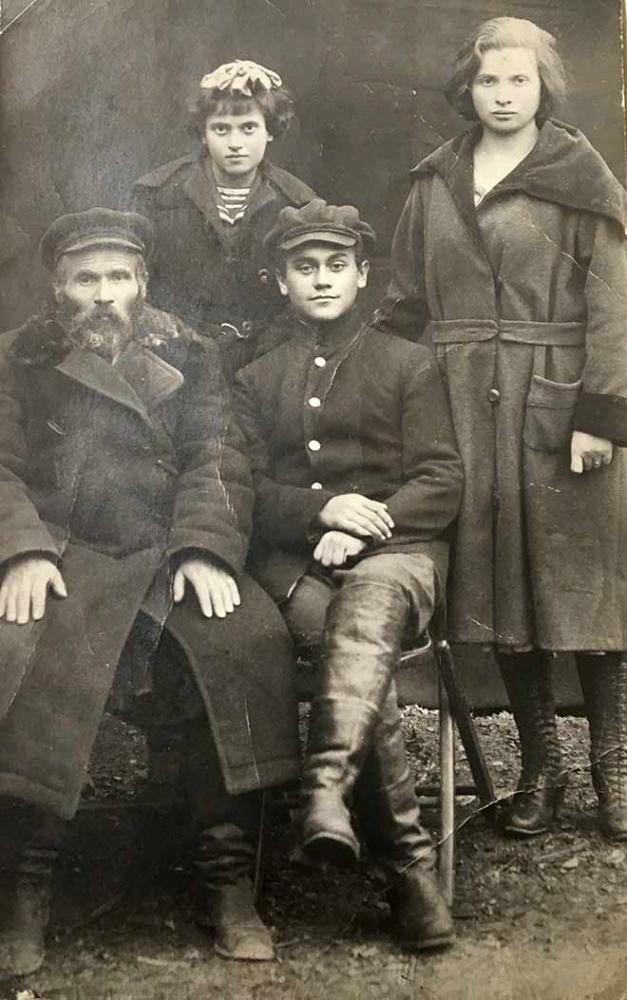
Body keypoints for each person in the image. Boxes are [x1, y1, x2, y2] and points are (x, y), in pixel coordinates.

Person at [0, 208, 301, 975]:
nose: (103, 296)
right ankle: (23, 891)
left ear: (142, 283)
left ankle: (229, 880)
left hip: (165, 553)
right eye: (85, 279)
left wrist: (203, 547)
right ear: (58, 288)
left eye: (118, 278)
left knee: (242, 639)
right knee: (27, 650)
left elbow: (218, 455)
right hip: (67, 554)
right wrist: (22, 551)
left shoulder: (192, 356)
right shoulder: (19, 359)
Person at [374, 17, 627, 839]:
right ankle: (540, 771)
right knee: (502, 595)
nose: (503, 95)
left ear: (543, 88)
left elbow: (614, 307)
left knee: (584, 590)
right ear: (466, 88)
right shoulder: (434, 181)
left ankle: (612, 771)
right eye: (489, 82)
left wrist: (600, 416)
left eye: (519, 81)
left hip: (558, 407)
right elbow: (405, 305)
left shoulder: (579, 177)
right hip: (461, 412)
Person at [233, 199, 464, 952]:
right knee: (352, 652)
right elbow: (243, 489)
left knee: (362, 612)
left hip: (401, 554)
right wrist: (324, 512)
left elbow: (441, 478)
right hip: (301, 564)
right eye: (305, 267)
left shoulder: (407, 361)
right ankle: (408, 871)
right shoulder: (258, 376)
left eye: (337, 265)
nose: (322, 279)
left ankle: (328, 788)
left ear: (363, 275)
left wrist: (370, 523)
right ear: (281, 282)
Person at [131, 59, 316, 381]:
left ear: (270, 131)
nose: (235, 143)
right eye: (221, 129)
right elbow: (132, 280)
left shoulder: (298, 202)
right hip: (176, 362)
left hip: (266, 365)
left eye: (248, 128)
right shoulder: (157, 195)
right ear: (203, 134)